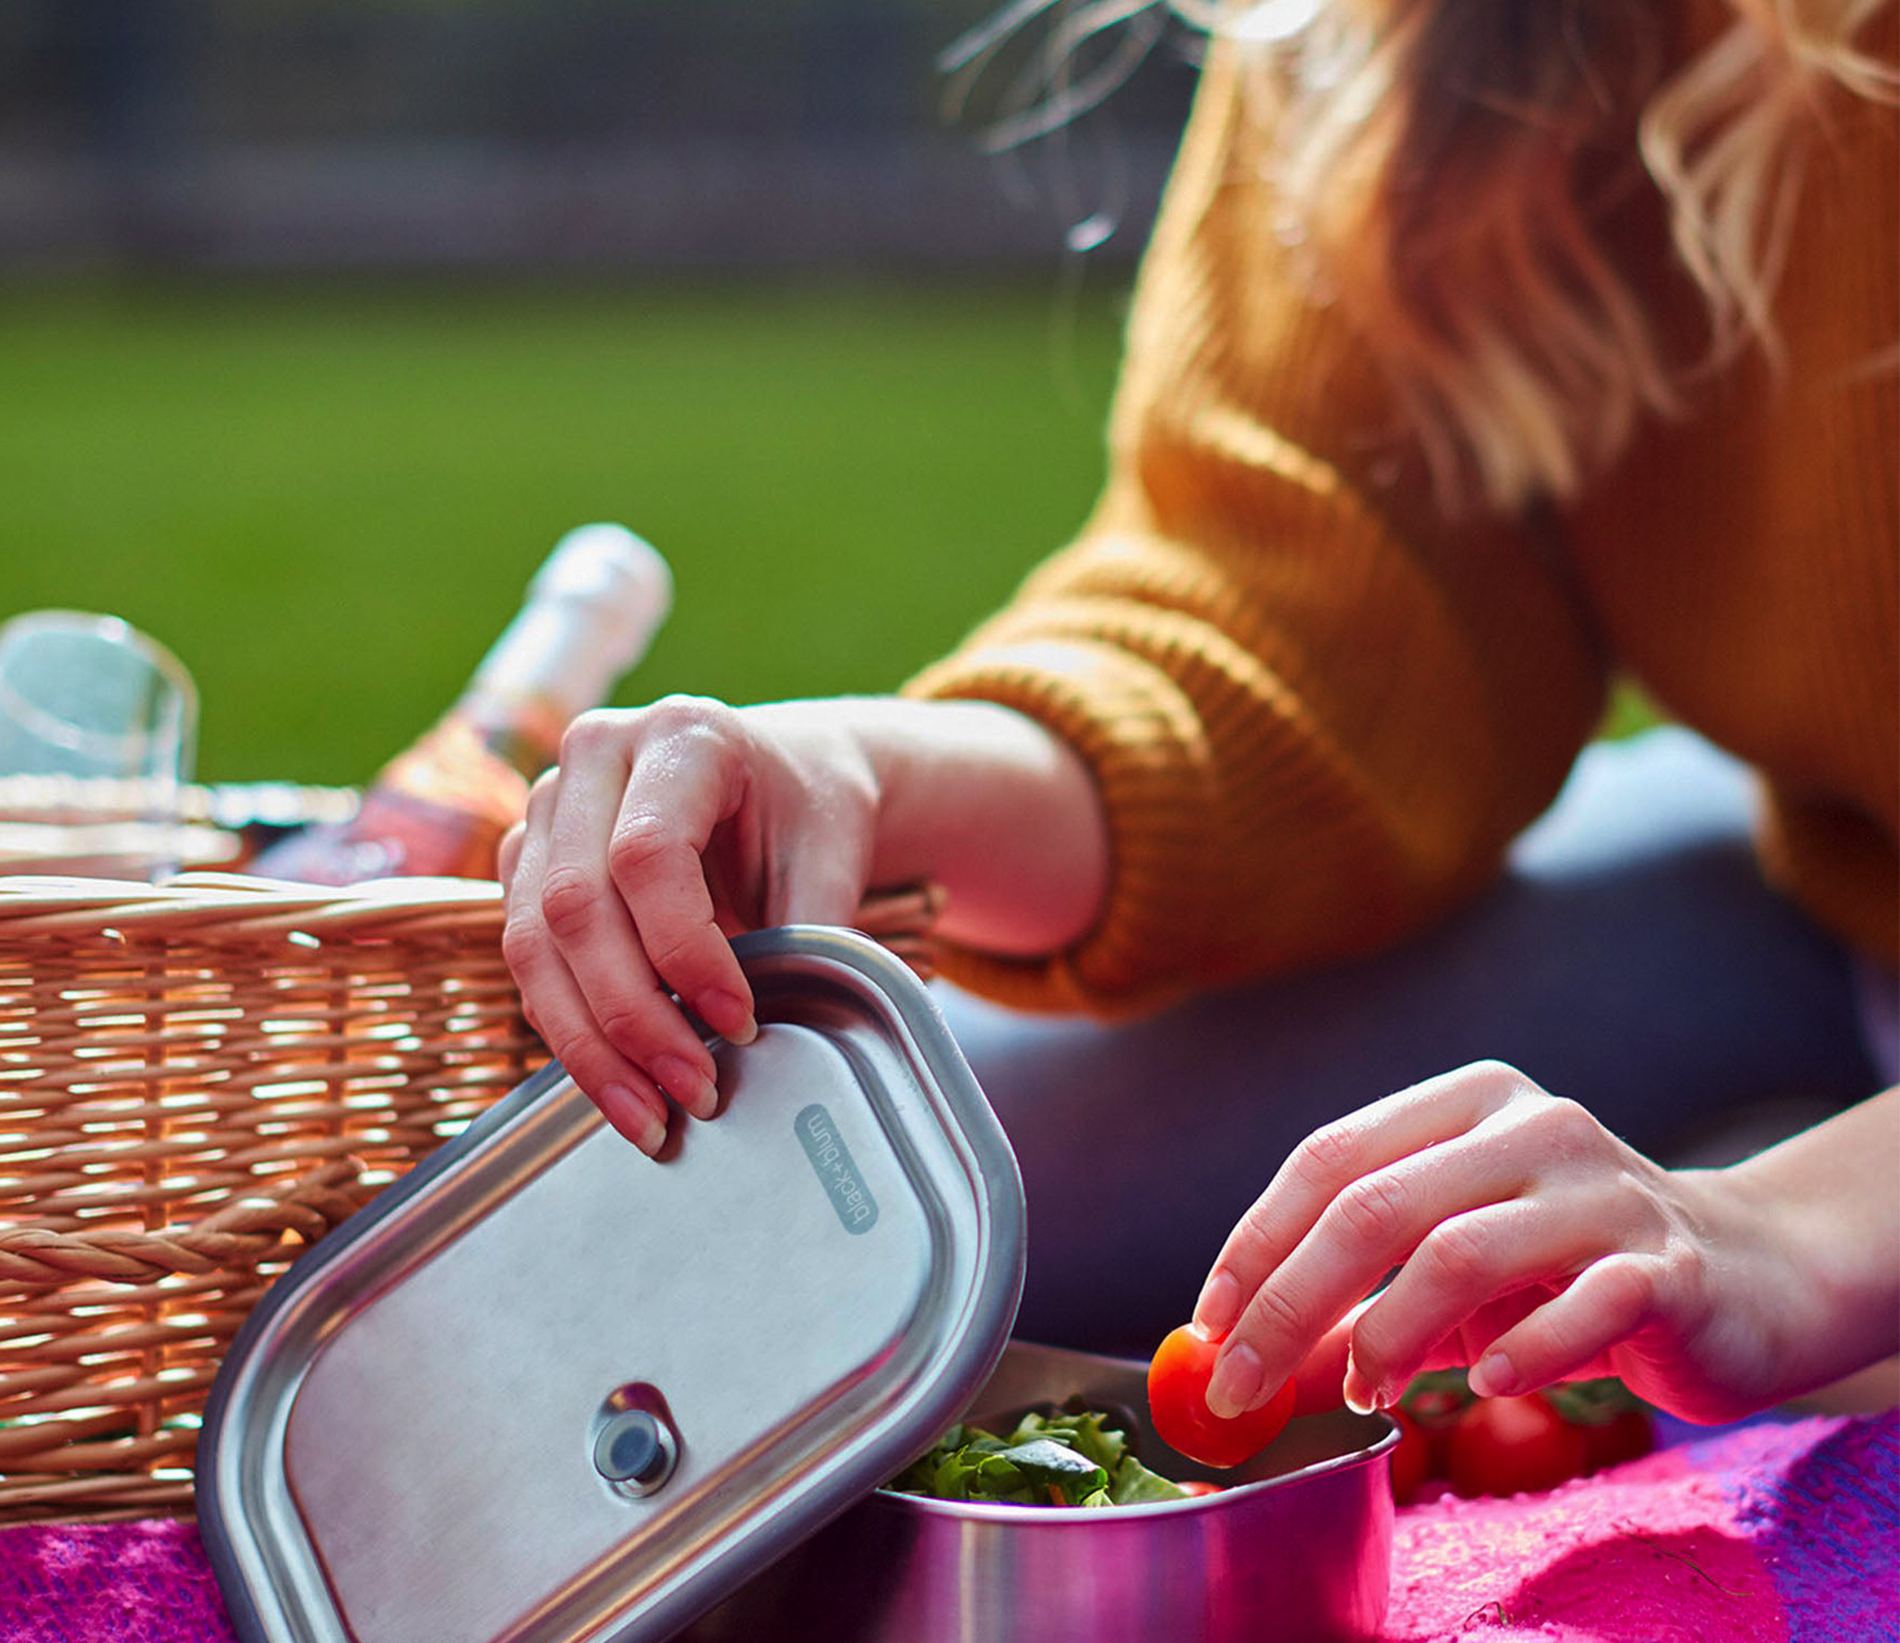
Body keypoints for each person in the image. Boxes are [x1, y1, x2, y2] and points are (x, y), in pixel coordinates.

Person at [499, 0, 1899, 1430]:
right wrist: (864, 767)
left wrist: (1791, 1236)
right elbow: (1305, 622)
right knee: (780, 1214)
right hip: (1835, 898)